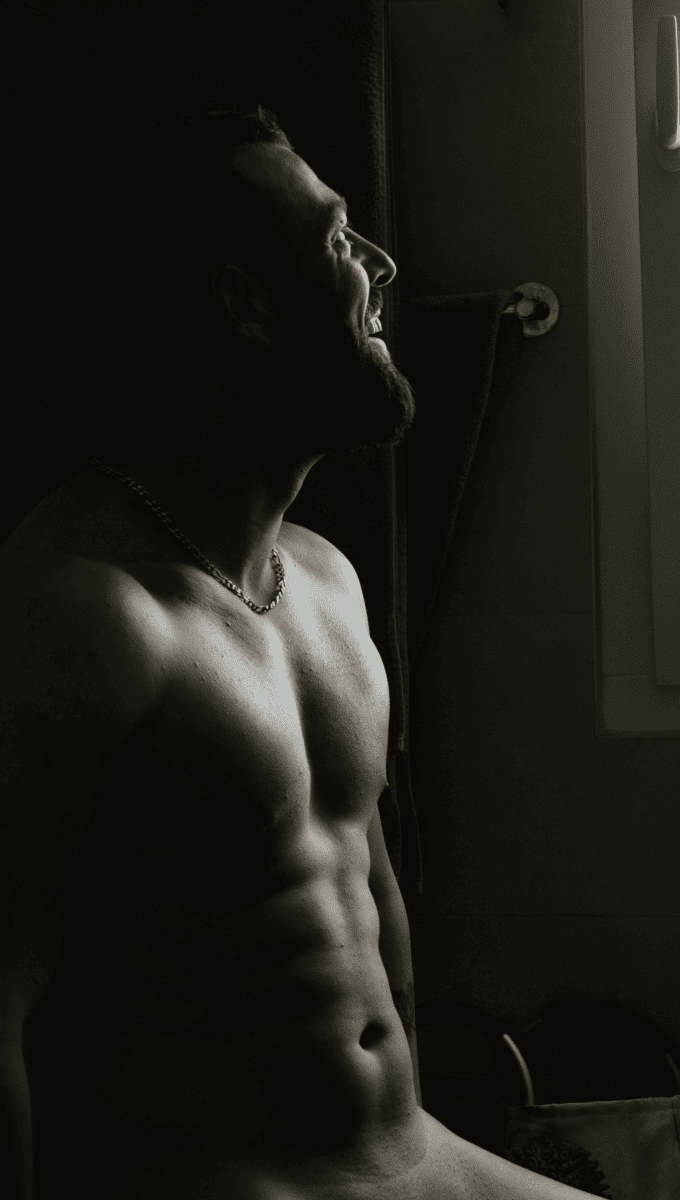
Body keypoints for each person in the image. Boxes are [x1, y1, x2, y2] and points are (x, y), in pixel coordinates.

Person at [0, 107, 593, 1199]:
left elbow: (374, 913)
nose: (381, 268)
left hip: (408, 1152)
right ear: (245, 305)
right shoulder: (78, 614)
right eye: (335, 238)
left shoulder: (324, 581)